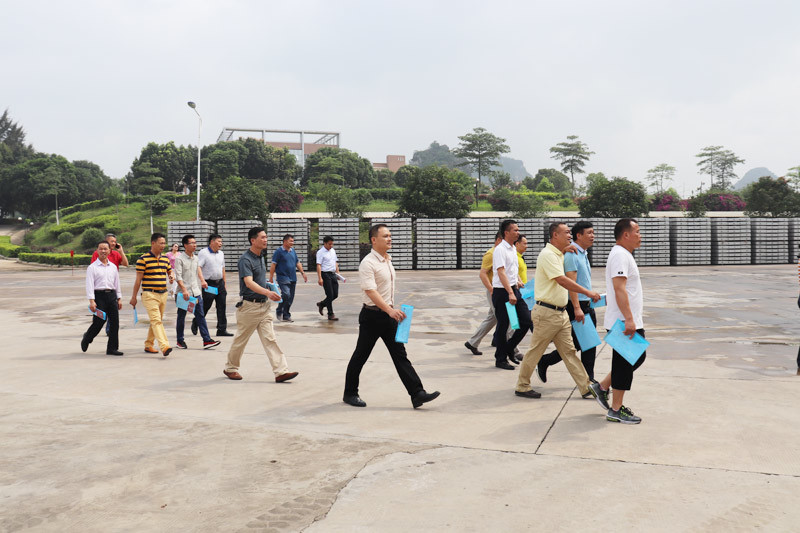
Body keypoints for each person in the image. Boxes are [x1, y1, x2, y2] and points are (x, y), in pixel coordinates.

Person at [343, 224, 440, 409]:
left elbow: (384, 290)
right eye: (385, 236)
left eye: (390, 235)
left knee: (400, 355)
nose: (390, 238)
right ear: (374, 240)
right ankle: (350, 393)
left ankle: (417, 393)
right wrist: (389, 310)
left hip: (388, 316)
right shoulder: (368, 263)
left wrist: (393, 310)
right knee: (360, 355)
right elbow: (371, 291)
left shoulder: (387, 260)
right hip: (371, 317)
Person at [515, 222, 601, 399]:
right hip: (547, 313)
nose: (570, 236)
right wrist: (587, 292)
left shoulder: (559, 254)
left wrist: (564, 250)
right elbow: (562, 280)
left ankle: (586, 386)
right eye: (567, 233)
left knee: (569, 352)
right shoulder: (548, 255)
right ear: (555, 235)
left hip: (560, 313)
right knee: (535, 351)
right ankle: (522, 385)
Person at [588, 218, 647, 424]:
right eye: (637, 232)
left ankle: (602, 387)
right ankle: (616, 409)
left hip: (628, 320)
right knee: (624, 364)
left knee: (636, 358)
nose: (640, 235)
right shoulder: (620, 255)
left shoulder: (624, 254)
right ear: (626, 235)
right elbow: (619, 288)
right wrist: (629, 319)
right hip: (624, 322)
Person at [223, 227, 299, 383]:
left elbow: (258, 280)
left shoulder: (260, 257)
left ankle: (281, 372)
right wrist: (267, 292)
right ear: (253, 240)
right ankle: (230, 368)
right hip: (249, 307)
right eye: (263, 237)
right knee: (241, 340)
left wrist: (269, 286)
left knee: (270, 339)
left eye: (266, 237)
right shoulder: (246, 259)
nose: (266, 240)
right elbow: (249, 283)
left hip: (264, 307)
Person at [537, 221, 599, 388]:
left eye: (593, 232)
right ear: (579, 235)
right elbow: (570, 283)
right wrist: (578, 308)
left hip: (586, 303)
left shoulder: (582, 253)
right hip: (577, 305)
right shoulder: (572, 254)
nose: (593, 236)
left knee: (588, 344)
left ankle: (589, 379)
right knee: (577, 344)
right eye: (589, 233)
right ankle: (546, 360)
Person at [491, 220, 534, 370]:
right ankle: (500, 359)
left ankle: (510, 348)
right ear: (506, 233)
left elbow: (512, 270)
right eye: (515, 230)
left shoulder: (512, 249)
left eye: (518, 229)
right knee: (503, 326)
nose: (518, 232)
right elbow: (501, 271)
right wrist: (510, 292)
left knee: (526, 321)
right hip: (502, 292)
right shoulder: (500, 249)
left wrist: (519, 281)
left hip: (514, 289)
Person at [130, 233, 174, 357]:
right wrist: (134, 297)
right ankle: (164, 346)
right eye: (161, 243)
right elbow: (138, 280)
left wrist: (171, 276)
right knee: (156, 321)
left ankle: (149, 344)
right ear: (153, 243)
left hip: (163, 294)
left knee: (156, 321)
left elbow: (169, 271)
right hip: (149, 294)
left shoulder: (165, 258)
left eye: (164, 243)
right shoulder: (143, 259)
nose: (163, 246)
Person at [174, 234, 220, 350]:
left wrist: (203, 281)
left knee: (200, 316)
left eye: (195, 243)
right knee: (181, 317)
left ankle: (207, 340)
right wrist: (184, 290)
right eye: (192, 243)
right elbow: (178, 276)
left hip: (196, 292)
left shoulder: (195, 258)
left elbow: (197, 271)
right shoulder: (179, 259)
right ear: (185, 245)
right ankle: (180, 340)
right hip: (184, 294)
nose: (195, 245)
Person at [81, 240, 123, 356]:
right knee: (99, 321)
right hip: (99, 296)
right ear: (97, 251)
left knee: (115, 323)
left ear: (110, 251)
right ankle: (87, 337)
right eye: (101, 249)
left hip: (111, 295)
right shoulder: (92, 268)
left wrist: (119, 298)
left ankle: (112, 348)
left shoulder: (113, 267)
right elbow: (89, 285)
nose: (103, 251)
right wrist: (91, 301)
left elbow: (116, 283)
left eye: (105, 249)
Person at [464, 232, 503, 356]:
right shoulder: (491, 254)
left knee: (493, 317)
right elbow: (483, 273)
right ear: (498, 240)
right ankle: (512, 349)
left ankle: (472, 342)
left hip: (502, 290)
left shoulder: (503, 253)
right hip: (495, 290)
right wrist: (491, 289)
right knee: (505, 319)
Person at [193, 233, 232, 337]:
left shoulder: (221, 253)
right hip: (209, 284)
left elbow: (222, 268)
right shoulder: (203, 253)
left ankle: (221, 329)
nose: (221, 243)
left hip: (220, 283)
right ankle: (196, 321)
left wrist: (224, 283)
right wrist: (202, 280)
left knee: (221, 306)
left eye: (221, 241)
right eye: (218, 241)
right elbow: (198, 267)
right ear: (212, 242)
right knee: (206, 305)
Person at [269, 234, 308, 322]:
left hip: (293, 277)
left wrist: (303, 273)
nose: (292, 243)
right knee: (286, 294)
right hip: (282, 277)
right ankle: (279, 310)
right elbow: (273, 265)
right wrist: (271, 277)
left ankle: (286, 315)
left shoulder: (293, 251)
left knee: (290, 298)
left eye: (293, 241)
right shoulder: (278, 252)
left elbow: (297, 262)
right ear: (285, 241)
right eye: (291, 241)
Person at [316, 235, 341, 321]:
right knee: (329, 295)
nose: (331, 246)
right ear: (325, 243)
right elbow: (318, 265)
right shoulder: (320, 252)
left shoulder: (333, 251)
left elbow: (335, 262)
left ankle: (322, 304)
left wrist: (338, 273)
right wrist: (320, 278)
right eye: (329, 244)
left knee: (335, 294)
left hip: (333, 274)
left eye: (332, 244)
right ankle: (330, 314)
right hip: (325, 274)